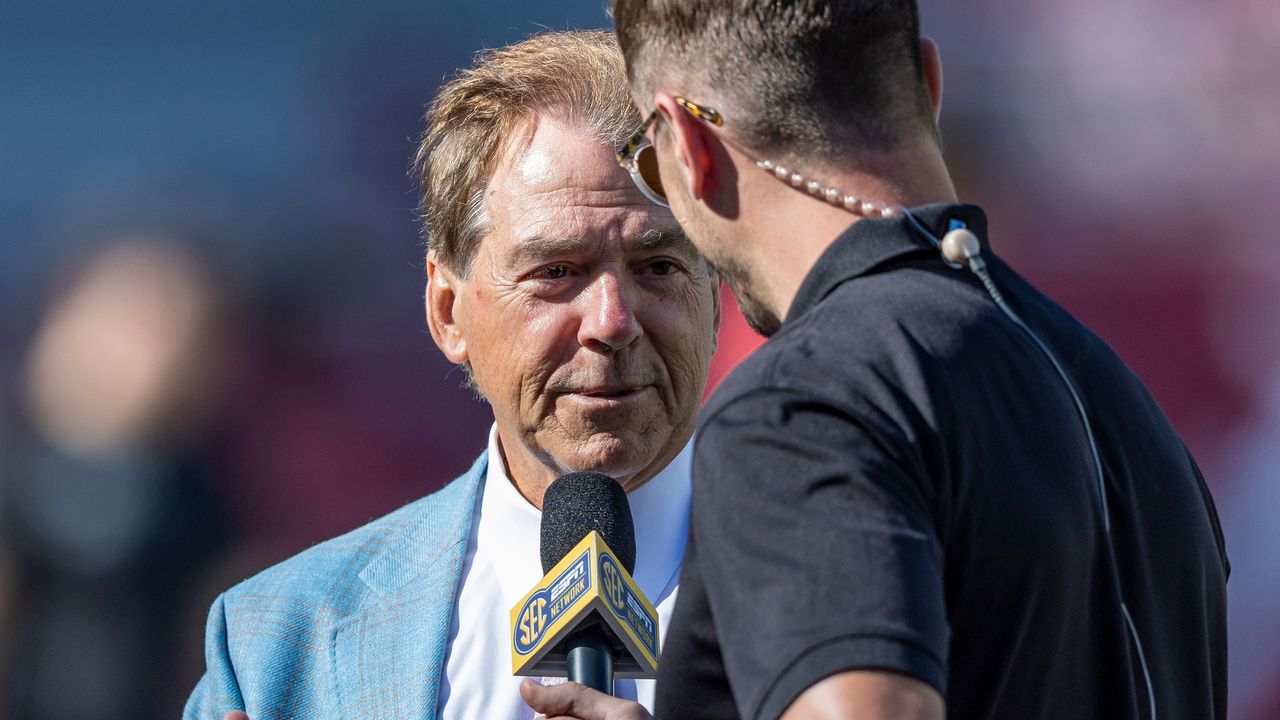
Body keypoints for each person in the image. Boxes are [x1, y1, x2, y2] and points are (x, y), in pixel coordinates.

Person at [525, 2, 1229, 719]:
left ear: (688, 144)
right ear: (927, 84)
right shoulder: (1119, 402)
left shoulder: (806, 401)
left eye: (650, 163)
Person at [183, 30, 720, 719]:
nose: (611, 321)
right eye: (556, 272)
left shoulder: (862, 588)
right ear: (447, 311)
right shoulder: (281, 640)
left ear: (715, 295)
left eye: (660, 268)